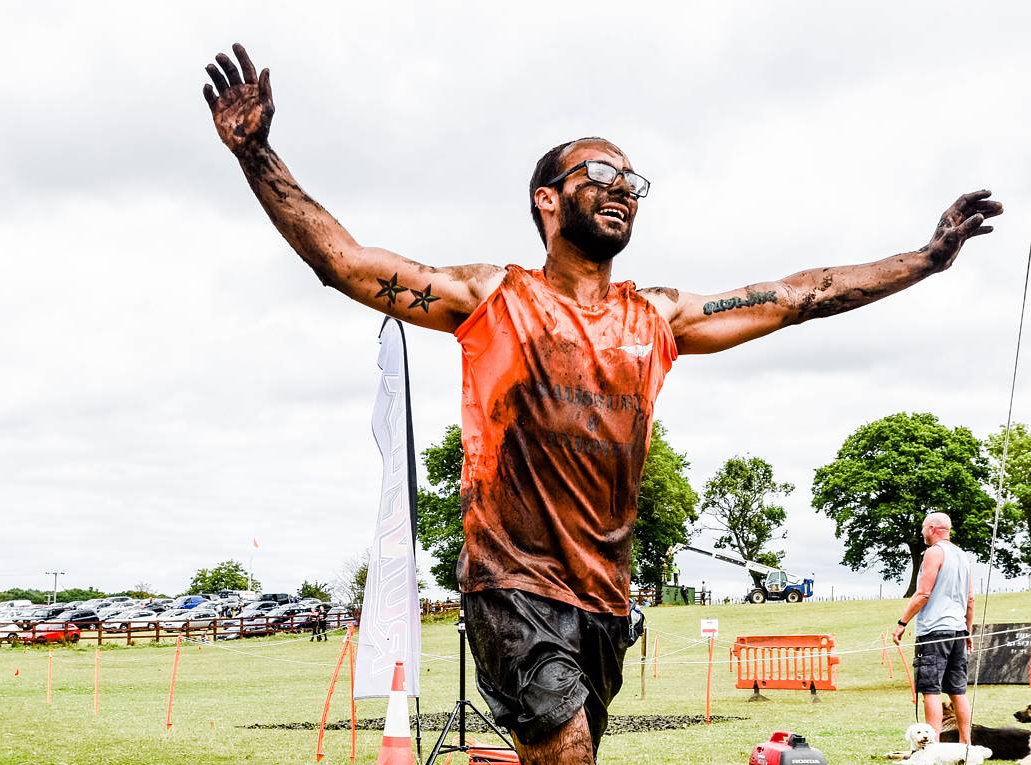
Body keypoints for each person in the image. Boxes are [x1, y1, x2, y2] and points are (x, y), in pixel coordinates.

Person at [201, 44, 1002, 764]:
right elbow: (343, 261)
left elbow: (802, 295)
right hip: (511, 583)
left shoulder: (655, 316)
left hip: (603, 600)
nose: (623, 189)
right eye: (601, 175)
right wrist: (258, 153)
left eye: (633, 182)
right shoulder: (493, 298)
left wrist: (926, 259)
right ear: (548, 201)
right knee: (570, 749)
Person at [893, 512, 975, 743]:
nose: (921, 533)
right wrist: (967, 631)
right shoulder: (962, 556)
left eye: (923, 529)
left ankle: (933, 745)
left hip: (934, 631)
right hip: (958, 630)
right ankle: (965, 744)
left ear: (931, 528)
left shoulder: (933, 552)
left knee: (931, 690)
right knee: (958, 691)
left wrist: (902, 623)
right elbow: (970, 600)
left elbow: (923, 594)